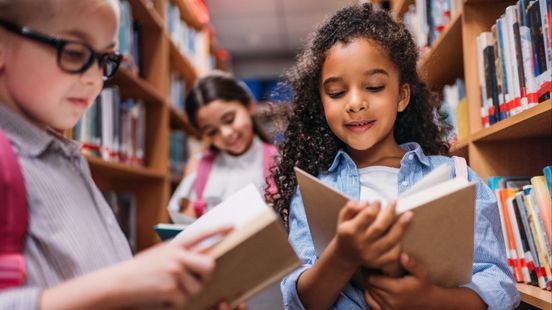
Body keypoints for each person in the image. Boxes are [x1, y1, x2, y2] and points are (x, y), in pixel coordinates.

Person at [269, 3, 520, 309]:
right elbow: (296, 301)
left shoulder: (457, 177)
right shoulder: (313, 193)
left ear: (401, 96)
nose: (355, 103)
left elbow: (498, 286)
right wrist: (341, 257)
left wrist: (430, 299)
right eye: (336, 93)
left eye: (374, 87)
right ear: (322, 104)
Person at [0, 0, 234, 308]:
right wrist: (124, 282)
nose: (95, 79)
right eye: (74, 53)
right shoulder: (9, 163)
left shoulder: (63, 157)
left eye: (105, 60)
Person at [168, 71, 277, 223]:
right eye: (212, 132)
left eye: (229, 119)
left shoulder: (279, 160)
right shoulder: (198, 166)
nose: (225, 133)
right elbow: (185, 222)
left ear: (249, 106)